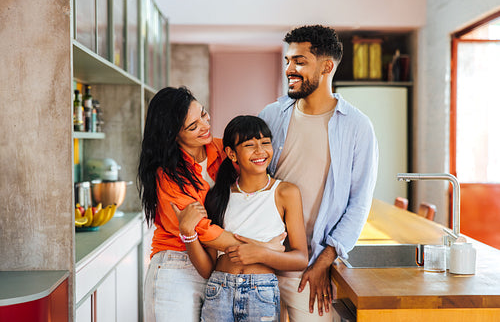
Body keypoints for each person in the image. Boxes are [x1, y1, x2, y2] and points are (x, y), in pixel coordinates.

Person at [258, 25, 379, 321]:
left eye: (299, 61)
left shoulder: (357, 127)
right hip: (263, 260)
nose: (290, 69)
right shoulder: (271, 116)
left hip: (310, 268)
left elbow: (358, 203)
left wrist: (324, 262)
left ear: (326, 67)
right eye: (288, 61)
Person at [138, 87, 285, 321]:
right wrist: (263, 249)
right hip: (177, 267)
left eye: (204, 115)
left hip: (218, 268)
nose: (205, 126)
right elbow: (203, 230)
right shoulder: (167, 175)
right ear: (173, 135)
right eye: (193, 126)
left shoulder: (222, 149)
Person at [177, 115, 308, 322]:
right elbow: (207, 269)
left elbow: (301, 259)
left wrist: (260, 254)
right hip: (219, 290)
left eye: (265, 143)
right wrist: (188, 234)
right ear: (231, 153)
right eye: (250, 145)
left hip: (261, 293)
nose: (260, 151)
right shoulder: (217, 196)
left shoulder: (286, 192)